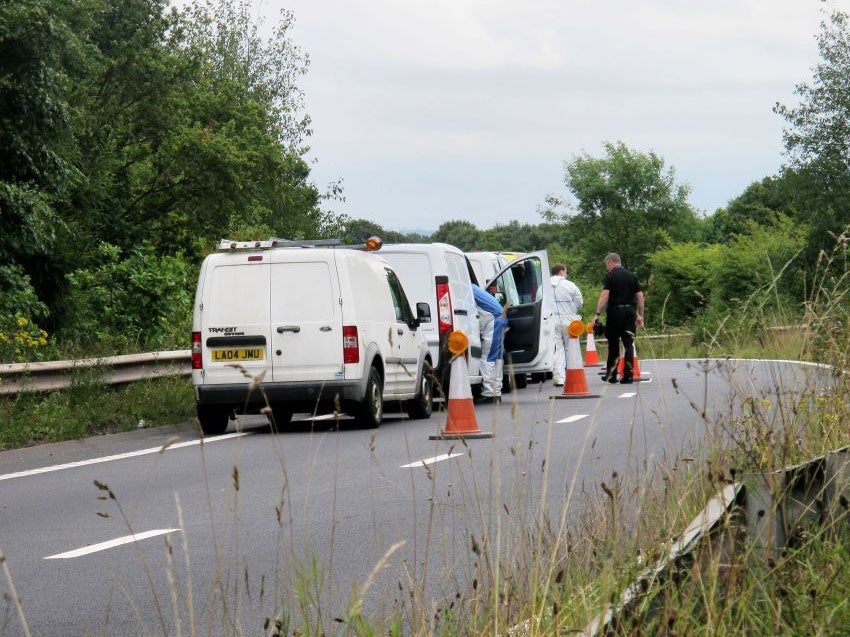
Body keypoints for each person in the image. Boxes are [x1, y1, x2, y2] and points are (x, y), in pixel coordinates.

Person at [592, 253, 644, 384]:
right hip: (630, 312)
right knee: (628, 344)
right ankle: (628, 376)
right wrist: (640, 315)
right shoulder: (632, 276)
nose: (607, 268)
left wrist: (597, 314)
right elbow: (640, 298)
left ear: (610, 262)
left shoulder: (610, 276)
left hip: (615, 312)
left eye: (607, 265)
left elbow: (604, 296)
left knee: (613, 344)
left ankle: (612, 375)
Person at [472, 283, 508, 402]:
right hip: (500, 319)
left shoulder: (467, 289)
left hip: (494, 321)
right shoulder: (475, 288)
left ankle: (489, 394)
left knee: (487, 357)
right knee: (497, 358)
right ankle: (496, 392)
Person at [550, 263, 583, 387]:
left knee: (557, 349)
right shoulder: (570, 285)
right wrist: (571, 310)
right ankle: (572, 374)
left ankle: (559, 378)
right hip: (569, 319)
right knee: (571, 347)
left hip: (552, 320)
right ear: (562, 271)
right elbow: (579, 302)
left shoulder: (544, 285)